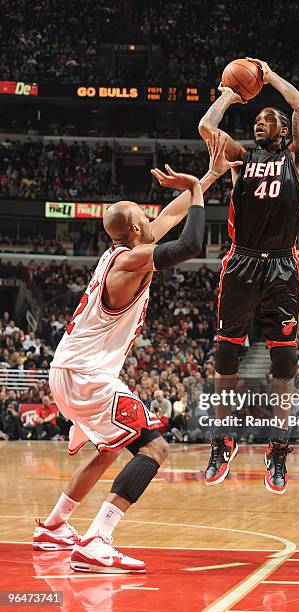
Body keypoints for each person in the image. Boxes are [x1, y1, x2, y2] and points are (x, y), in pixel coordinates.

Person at [33, 132, 241, 573]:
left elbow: (172, 215)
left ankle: (54, 526)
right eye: (145, 217)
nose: (153, 217)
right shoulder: (131, 261)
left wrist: (210, 177)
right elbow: (190, 245)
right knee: (155, 449)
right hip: (87, 375)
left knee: (109, 450)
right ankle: (98, 539)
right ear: (133, 230)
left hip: (70, 370)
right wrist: (199, 193)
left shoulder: (126, 251)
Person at [199, 58, 299, 494]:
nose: (260, 121)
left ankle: (278, 451)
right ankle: (221, 440)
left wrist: (266, 75)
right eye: (258, 118)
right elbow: (207, 129)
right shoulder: (241, 158)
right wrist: (231, 92)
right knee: (225, 358)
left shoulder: (298, 160)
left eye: (269, 118)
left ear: (284, 130)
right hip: (241, 261)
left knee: (284, 363)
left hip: (282, 264)